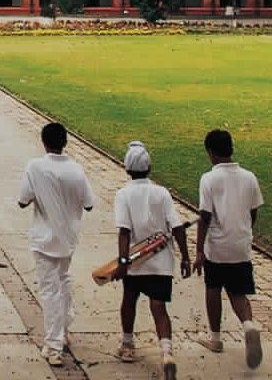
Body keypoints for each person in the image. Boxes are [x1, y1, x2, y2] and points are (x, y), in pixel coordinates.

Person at [112, 141, 191, 380]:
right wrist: (185, 257)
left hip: (137, 260)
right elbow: (177, 227)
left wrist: (123, 262)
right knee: (159, 307)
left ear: (127, 169)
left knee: (129, 301)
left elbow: (124, 231)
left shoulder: (124, 194)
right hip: (162, 261)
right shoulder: (162, 192)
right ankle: (166, 352)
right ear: (150, 167)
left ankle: (127, 345)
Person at [18, 122, 95, 367]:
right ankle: (64, 327)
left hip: (44, 238)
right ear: (65, 143)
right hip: (68, 238)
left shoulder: (35, 167)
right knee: (63, 280)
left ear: (44, 142)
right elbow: (89, 203)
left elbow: (23, 200)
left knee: (50, 290)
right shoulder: (76, 170)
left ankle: (53, 345)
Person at [193, 129, 264, 369]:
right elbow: (253, 211)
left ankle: (215, 338)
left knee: (213, 288)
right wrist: (244, 231)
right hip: (241, 245)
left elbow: (204, 217)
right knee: (238, 292)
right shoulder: (249, 177)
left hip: (217, 247)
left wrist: (199, 251)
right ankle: (248, 324)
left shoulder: (209, 179)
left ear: (211, 153)